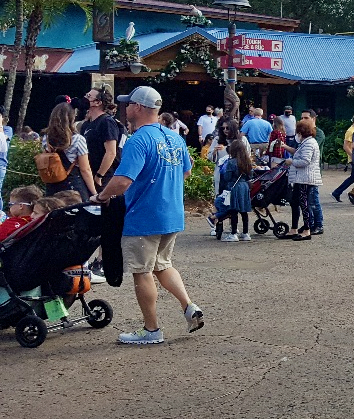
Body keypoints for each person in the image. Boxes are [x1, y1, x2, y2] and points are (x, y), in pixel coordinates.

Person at [92, 86, 204, 345]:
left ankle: (151, 330)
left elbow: (122, 181)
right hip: (171, 214)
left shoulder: (138, 140)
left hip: (144, 216)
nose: (126, 108)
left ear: (139, 107)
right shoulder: (174, 137)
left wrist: (102, 195)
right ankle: (189, 306)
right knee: (163, 265)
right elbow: (186, 172)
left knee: (142, 271)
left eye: (129, 104)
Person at [41, 102, 96, 199]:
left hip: (52, 186)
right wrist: (94, 192)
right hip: (73, 185)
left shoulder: (46, 138)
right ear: (71, 118)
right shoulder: (78, 139)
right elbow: (85, 169)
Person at [80, 85, 123, 193]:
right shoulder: (86, 124)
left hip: (103, 178)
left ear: (98, 102)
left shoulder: (106, 122)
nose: (85, 98)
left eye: (89, 96)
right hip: (89, 175)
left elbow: (111, 152)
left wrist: (99, 175)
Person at [285, 118, 322, 241]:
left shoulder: (309, 143)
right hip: (300, 178)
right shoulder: (306, 143)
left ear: (301, 132)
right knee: (295, 202)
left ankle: (307, 230)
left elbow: (305, 161)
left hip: (305, 178)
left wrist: (292, 162)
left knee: (304, 204)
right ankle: (294, 228)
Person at [215, 140, 254, 241]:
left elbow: (227, 177)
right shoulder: (247, 162)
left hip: (234, 186)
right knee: (244, 211)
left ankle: (233, 233)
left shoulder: (231, 162)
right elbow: (250, 176)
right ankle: (245, 233)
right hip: (244, 186)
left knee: (233, 211)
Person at [297, 110, 324, 234]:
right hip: (304, 173)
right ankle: (309, 224)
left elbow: (307, 154)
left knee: (313, 200)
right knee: (306, 200)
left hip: (312, 172)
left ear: (313, 119)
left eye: (306, 118)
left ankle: (318, 225)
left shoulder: (317, 134)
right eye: (302, 118)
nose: (303, 120)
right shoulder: (302, 134)